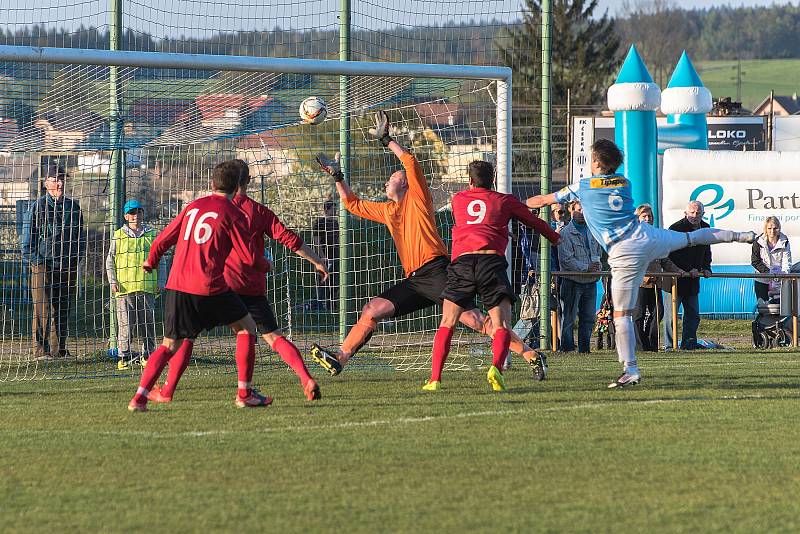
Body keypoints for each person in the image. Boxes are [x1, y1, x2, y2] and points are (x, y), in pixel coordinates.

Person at [311, 111, 548, 381]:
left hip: (437, 272)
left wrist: (387, 139)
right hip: (416, 280)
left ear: (405, 184)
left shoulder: (418, 199)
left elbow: (409, 161)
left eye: (393, 177)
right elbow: (352, 203)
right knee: (372, 310)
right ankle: (340, 358)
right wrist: (338, 175)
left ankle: (530, 354)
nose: (388, 181)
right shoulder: (388, 211)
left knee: (477, 322)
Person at [526, 139, 755, 388]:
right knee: (690, 237)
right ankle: (743, 236)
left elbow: (545, 200)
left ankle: (630, 370)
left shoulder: (583, 186)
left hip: (623, 251)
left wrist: (518, 203)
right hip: (647, 236)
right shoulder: (625, 182)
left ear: (595, 162)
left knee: (621, 314)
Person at [146, 159, 330, 404]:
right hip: (249, 287)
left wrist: (154, 259)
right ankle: (304, 379)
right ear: (247, 182)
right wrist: (317, 261)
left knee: (185, 337)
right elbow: (288, 238)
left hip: (214, 285)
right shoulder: (258, 211)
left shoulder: (206, 207)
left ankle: (167, 390)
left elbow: (170, 239)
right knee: (273, 337)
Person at [127, 160, 270, 412]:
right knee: (247, 329)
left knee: (169, 344)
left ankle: (139, 398)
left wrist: (151, 260)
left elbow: (164, 238)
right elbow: (248, 258)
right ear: (237, 186)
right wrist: (266, 264)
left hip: (177, 285)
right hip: (209, 287)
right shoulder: (233, 213)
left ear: (211, 183)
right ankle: (244, 393)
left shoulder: (193, 206)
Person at [424, 160, 560, 391]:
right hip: (491, 263)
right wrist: (555, 237)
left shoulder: (458, 200)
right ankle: (496, 368)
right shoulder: (505, 201)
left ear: (469, 181)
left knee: (447, 322)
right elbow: (533, 221)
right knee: (500, 325)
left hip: (463, 263)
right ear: (494, 180)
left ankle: (435, 379)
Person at [21, 164, 85, 360]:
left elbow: (81, 238)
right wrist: (38, 261)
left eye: (62, 178)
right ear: (45, 183)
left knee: (63, 307)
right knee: (43, 309)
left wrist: (75, 259)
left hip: (67, 265)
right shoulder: (37, 206)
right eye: (56, 179)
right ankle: (41, 351)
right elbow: (26, 243)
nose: (60, 182)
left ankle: (59, 350)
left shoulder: (73, 207)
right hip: (43, 264)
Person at [106, 199, 158, 370]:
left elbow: (161, 260)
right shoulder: (118, 235)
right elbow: (110, 261)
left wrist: (162, 281)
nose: (136, 216)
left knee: (147, 324)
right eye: (132, 213)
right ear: (126, 216)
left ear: (143, 214)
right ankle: (124, 356)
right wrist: (113, 281)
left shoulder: (151, 234)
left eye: (139, 212)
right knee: (126, 325)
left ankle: (148, 355)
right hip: (125, 288)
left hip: (146, 287)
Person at [662, 201, 714, 351]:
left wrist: (706, 268)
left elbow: (706, 251)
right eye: (692, 212)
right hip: (674, 278)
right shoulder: (675, 228)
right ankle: (669, 346)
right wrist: (688, 268)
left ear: (703, 214)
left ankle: (689, 343)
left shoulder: (706, 228)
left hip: (692, 279)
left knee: (693, 314)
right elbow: (672, 255)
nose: (694, 216)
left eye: (698, 213)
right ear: (685, 213)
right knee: (671, 316)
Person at [557, 200, 602, 353]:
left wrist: (597, 267)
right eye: (579, 210)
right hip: (572, 281)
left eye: (585, 210)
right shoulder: (565, 233)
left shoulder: (593, 230)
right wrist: (587, 267)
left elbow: (598, 253)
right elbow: (566, 260)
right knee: (569, 319)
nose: (582, 213)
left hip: (590, 282)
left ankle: (585, 349)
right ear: (571, 211)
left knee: (589, 318)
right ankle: (567, 348)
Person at [632, 204, 664, 352]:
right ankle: (640, 346)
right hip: (638, 283)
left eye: (650, 216)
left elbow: (665, 258)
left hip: (656, 282)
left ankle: (651, 344)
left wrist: (678, 271)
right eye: (644, 216)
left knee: (658, 312)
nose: (647, 218)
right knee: (638, 315)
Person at [751, 216, 791, 301]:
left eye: (775, 228)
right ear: (765, 229)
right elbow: (755, 261)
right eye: (769, 228)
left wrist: (783, 275)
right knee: (763, 308)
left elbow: (787, 262)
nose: (772, 231)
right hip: (761, 279)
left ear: (779, 228)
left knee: (779, 308)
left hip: (779, 280)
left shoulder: (785, 242)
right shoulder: (758, 242)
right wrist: (769, 273)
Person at [312, 198, 339, 311]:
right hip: (323, 257)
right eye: (333, 209)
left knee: (335, 281)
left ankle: (332, 304)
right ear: (326, 210)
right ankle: (320, 304)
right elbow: (316, 241)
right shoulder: (319, 223)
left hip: (336, 256)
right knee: (323, 280)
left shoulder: (336, 223)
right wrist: (322, 256)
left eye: (335, 209)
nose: (335, 211)